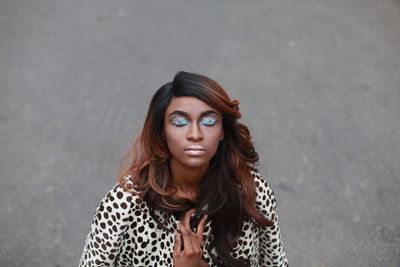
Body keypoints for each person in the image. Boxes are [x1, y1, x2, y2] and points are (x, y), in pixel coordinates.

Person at [79, 71, 288, 267]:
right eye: (179, 122)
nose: (195, 134)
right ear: (162, 131)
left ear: (223, 130)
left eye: (208, 121)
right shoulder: (124, 204)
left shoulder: (252, 192)